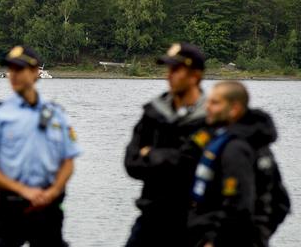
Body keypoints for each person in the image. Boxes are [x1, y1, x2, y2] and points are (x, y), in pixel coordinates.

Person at [0, 45, 81, 247]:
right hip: (9, 209)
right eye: (10, 69)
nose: (13, 75)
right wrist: (23, 191)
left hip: (47, 208)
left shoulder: (57, 114)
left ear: (35, 72)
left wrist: (53, 191)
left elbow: (68, 161)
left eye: (19, 69)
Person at [124, 43, 208, 247]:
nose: (168, 75)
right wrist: (176, 159)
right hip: (151, 218)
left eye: (176, 70)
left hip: (194, 222)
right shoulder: (153, 113)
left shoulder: (211, 119)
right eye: (168, 69)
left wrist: (152, 155)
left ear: (195, 76)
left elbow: (193, 167)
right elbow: (131, 163)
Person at [188, 82, 290, 247]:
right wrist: (260, 236)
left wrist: (214, 241)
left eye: (215, 103)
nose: (207, 107)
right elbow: (281, 203)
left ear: (234, 109)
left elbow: (239, 204)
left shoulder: (235, 148)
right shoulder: (258, 143)